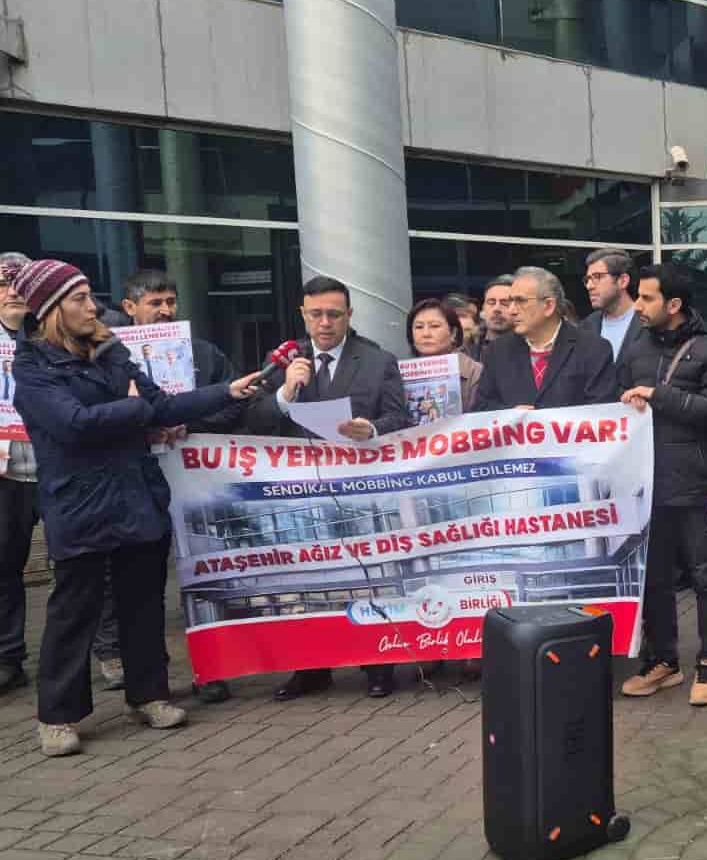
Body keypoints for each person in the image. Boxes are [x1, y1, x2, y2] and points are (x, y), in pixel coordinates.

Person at [10, 260, 263, 756]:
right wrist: (133, 410)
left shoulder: (112, 351)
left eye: (90, 295)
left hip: (135, 495)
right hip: (80, 503)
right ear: (53, 309)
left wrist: (224, 392)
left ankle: (149, 695)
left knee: (143, 605)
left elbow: (160, 406)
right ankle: (58, 716)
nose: (93, 307)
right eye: (80, 298)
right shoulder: (32, 367)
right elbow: (73, 425)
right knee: (73, 611)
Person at [246, 275, 410, 700]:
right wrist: (285, 393)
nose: (324, 323)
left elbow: (401, 419)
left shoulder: (377, 360)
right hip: (299, 492)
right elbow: (253, 420)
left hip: (360, 489)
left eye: (334, 314)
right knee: (305, 580)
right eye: (316, 314)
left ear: (349, 315)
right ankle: (311, 667)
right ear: (303, 314)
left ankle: (377, 664)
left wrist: (372, 429)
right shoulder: (283, 359)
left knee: (367, 578)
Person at [96, 270, 241, 703]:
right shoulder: (105, 358)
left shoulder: (203, 353)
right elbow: (96, 417)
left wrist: (188, 424)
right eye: (155, 302)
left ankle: (211, 667)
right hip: (134, 481)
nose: (165, 310)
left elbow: (234, 407)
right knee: (134, 579)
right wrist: (143, 426)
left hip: (194, 480)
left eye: (170, 302)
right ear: (129, 307)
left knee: (202, 573)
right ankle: (130, 662)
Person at [616, 262, 707, 706]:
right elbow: (615, 403)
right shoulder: (636, 348)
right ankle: (663, 660)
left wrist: (657, 395)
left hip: (694, 484)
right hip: (647, 484)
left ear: (674, 304)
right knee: (654, 578)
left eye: (647, 298)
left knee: (705, 575)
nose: (638, 305)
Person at [475, 267, 616, 411]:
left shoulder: (593, 349)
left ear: (549, 306)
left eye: (520, 301)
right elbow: (481, 408)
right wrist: (511, 415)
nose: (512, 310)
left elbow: (602, 412)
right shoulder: (497, 351)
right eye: (511, 301)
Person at [0, 253, 37, 697]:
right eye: (2, 284)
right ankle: (8, 658)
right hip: (6, 474)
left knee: (82, 565)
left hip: (60, 466)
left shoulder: (54, 334)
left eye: (20, 283)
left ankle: (104, 651)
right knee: (4, 565)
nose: (12, 292)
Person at [408, 298, 483, 410]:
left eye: (435, 326)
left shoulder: (475, 373)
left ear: (453, 333)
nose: (426, 334)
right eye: (419, 327)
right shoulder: (399, 374)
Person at [582, 248, 644, 362]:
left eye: (598, 277)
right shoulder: (587, 326)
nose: (589, 286)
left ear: (623, 281)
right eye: (588, 279)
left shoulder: (648, 322)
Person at [479, 274, 518, 351]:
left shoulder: (532, 351)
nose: (497, 309)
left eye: (505, 303)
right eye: (491, 303)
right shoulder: (466, 351)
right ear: (483, 308)